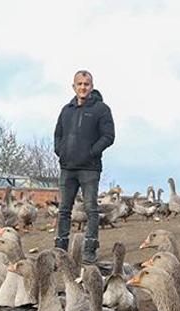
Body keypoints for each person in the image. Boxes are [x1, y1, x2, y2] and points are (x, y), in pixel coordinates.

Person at [53, 70, 115, 264]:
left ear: (91, 86)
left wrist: (91, 152)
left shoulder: (101, 109)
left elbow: (108, 136)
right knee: (64, 210)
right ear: (73, 86)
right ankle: (60, 249)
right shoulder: (66, 110)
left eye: (86, 84)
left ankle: (89, 249)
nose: (83, 87)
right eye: (79, 84)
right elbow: (58, 134)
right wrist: (60, 151)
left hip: (89, 168)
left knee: (90, 209)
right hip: (67, 168)